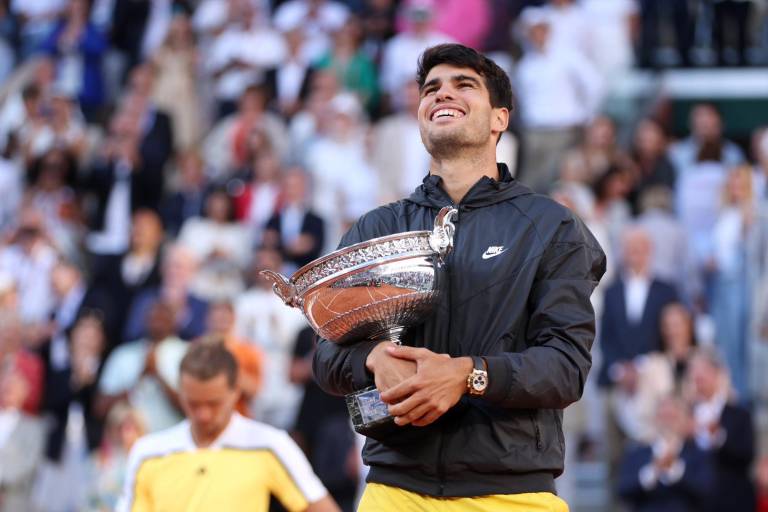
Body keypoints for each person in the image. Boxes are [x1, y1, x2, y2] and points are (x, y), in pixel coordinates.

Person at [313, 43, 606, 509]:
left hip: (513, 493)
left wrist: (469, 375)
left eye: (463, 85)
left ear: (499, 119)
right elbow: (328, 356)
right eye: (431, 89)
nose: (441, 94)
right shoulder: (377, 228)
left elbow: (565, 369)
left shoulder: (552, 226)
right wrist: (373, 359)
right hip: (394, 491)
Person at [116, 342, 339, 512]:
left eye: (213, 403)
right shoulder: (147, 452)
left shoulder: (270, 444)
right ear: (181, 394)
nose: (203, 414)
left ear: (235, 393)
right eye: (193, 403)